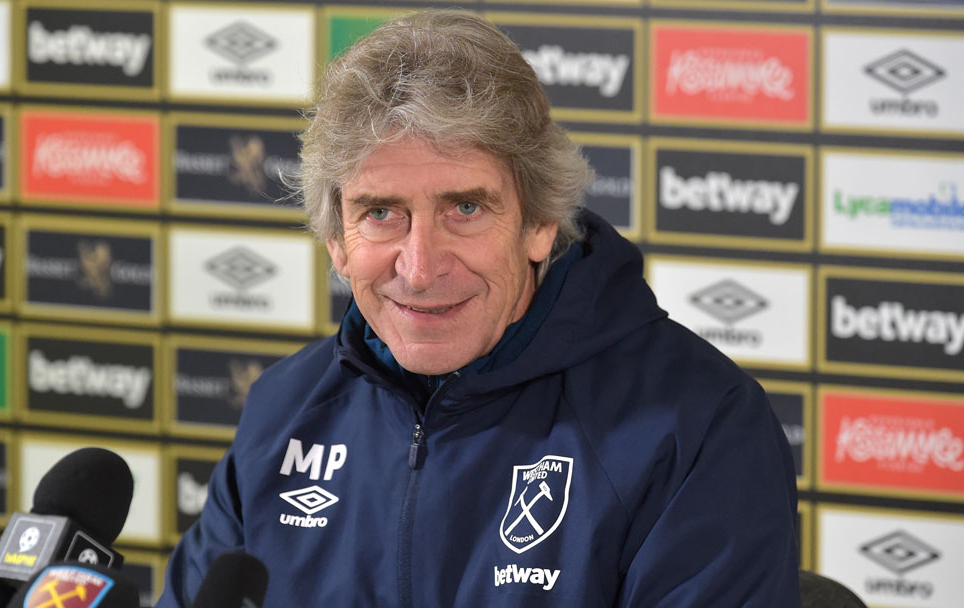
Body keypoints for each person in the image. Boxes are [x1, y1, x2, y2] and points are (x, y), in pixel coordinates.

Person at [157, 9, 799, 607]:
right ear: (337, 243)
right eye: (381, 214)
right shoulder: (282, 411)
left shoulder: (697, 427)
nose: (420, 266)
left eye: (465, 209)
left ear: (541, 222)